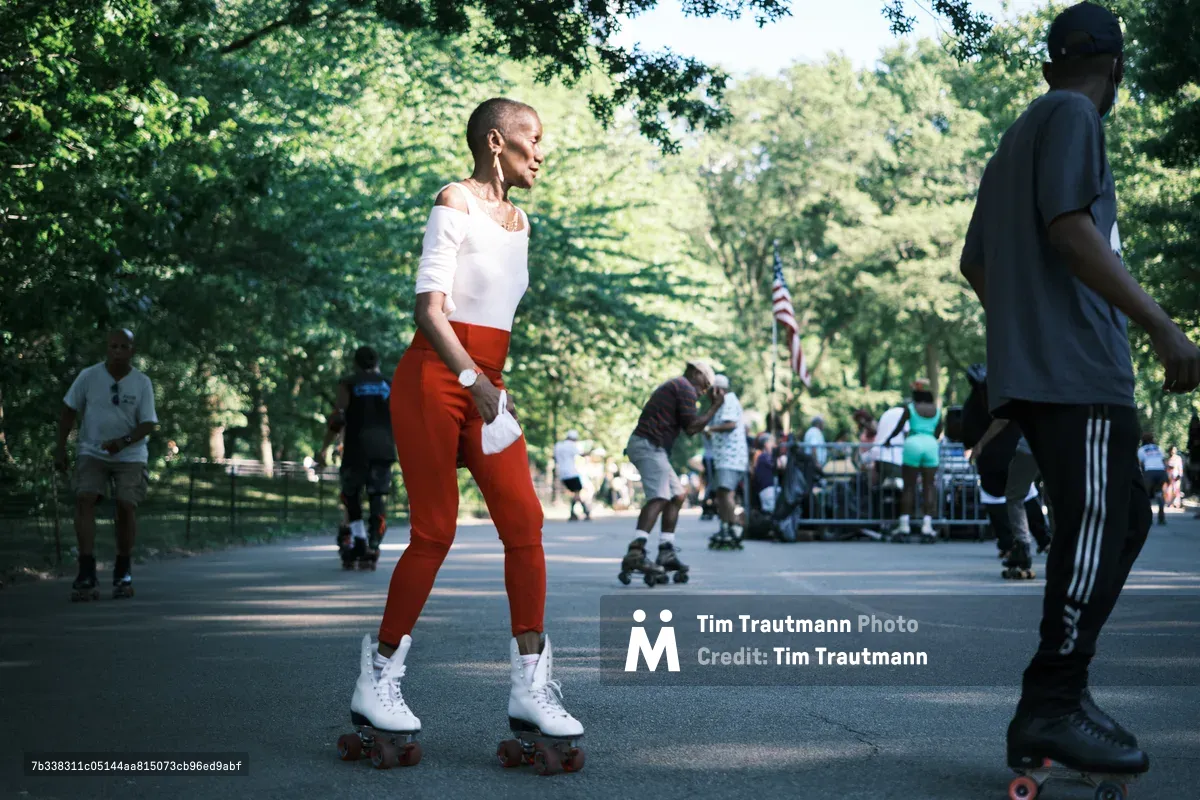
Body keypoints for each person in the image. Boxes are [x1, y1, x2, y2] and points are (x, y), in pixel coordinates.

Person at [959, 2, 1200, 778]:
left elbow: (975, 264)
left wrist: (1019, 343)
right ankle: (1053, 701)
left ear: (1048, 64)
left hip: (1042, 371)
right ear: (1118, 69)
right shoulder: (1073, 116)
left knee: (1125, 513)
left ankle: (1063, 691)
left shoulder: (1013, 140)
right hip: (1080, 372)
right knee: (1099, 524)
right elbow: (1070, 230)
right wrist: (1162, 327)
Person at [345, 98, 584, 760]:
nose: (541, 153)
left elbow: (496, 316)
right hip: (434, 378)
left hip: (487, 386)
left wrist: (491, 387)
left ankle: (531, 686)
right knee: (435, 531)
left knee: (525, 523)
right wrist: (472, 380)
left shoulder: (521, 221)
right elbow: (429, 309)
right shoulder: (454, 200)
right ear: (496, 141)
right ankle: (378, 678)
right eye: (533, 139)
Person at [55, 329, 158, 600]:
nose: (118, 352)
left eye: (124, 347)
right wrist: (60, 449)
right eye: (113, 346)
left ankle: (123, 569)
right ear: (106, 348)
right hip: (93, 451)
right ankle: (86, 571)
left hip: (130, 455)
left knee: (126, 504)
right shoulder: (88, 376)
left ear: (132, 350)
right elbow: (68, 411)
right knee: (85, 498)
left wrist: (124, 442)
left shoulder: (141, 382)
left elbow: (148, 423)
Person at [621, 361, 725, 583]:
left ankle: (666, 549)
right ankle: (636, 551)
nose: (703, 392)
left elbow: (690, 426)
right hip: (648, 445)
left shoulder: (679, 386)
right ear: (696, 373)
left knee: (677, 495)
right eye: (704, 385)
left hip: (653, 446)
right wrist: (714, 406)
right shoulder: (685, 387)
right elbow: (692, 427)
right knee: (660, 497)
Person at [317, 346, 397, 568]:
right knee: (377, 497)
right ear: (377, 363)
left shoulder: (349, 383)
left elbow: (338, 418)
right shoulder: (389, 384)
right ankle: (374, 545)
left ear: (355, 363)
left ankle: (359, 539)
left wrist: (325, 447)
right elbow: (401, 417)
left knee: (351, 496)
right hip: (383, 450)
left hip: (356, 448)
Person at [880, 379, 942, 541]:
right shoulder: (936, 411)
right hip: (930, 445)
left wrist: (888, 440)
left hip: (912, 444)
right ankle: (927, 527)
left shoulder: (911, 408)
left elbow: (899, 427)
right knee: (929, 486)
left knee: (908, 487)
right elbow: (938, 432)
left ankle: (904, 525)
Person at [704, 374, 748, 548]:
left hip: (731, 457)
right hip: (723, 458)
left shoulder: (729, 400)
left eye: (709, 391)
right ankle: (725, 526)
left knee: (725, 492)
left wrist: (710, 429)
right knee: (720, 494)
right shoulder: (721, 404)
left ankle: (735, 526)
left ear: (717, 390)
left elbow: (730, 425)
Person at [554, 429, 591, 521]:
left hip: (562, 473)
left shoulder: (558, 445)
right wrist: (589, 451)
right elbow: (581, 454)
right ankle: (582, 512)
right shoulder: (571, 445)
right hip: (571, 472)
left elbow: (554, 457)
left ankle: (578, 513)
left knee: (575, 493)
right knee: (577, 492)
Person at [1137, 433, 1169, 526]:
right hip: (1161, 472)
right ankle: (1161, 518)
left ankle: (1147, 518)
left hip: (1150, 472)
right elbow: (1163, 461)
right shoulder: (1158, 448)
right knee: (1159, 494)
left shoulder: (1142, 450)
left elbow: (1140, 464)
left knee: (1146, 495)